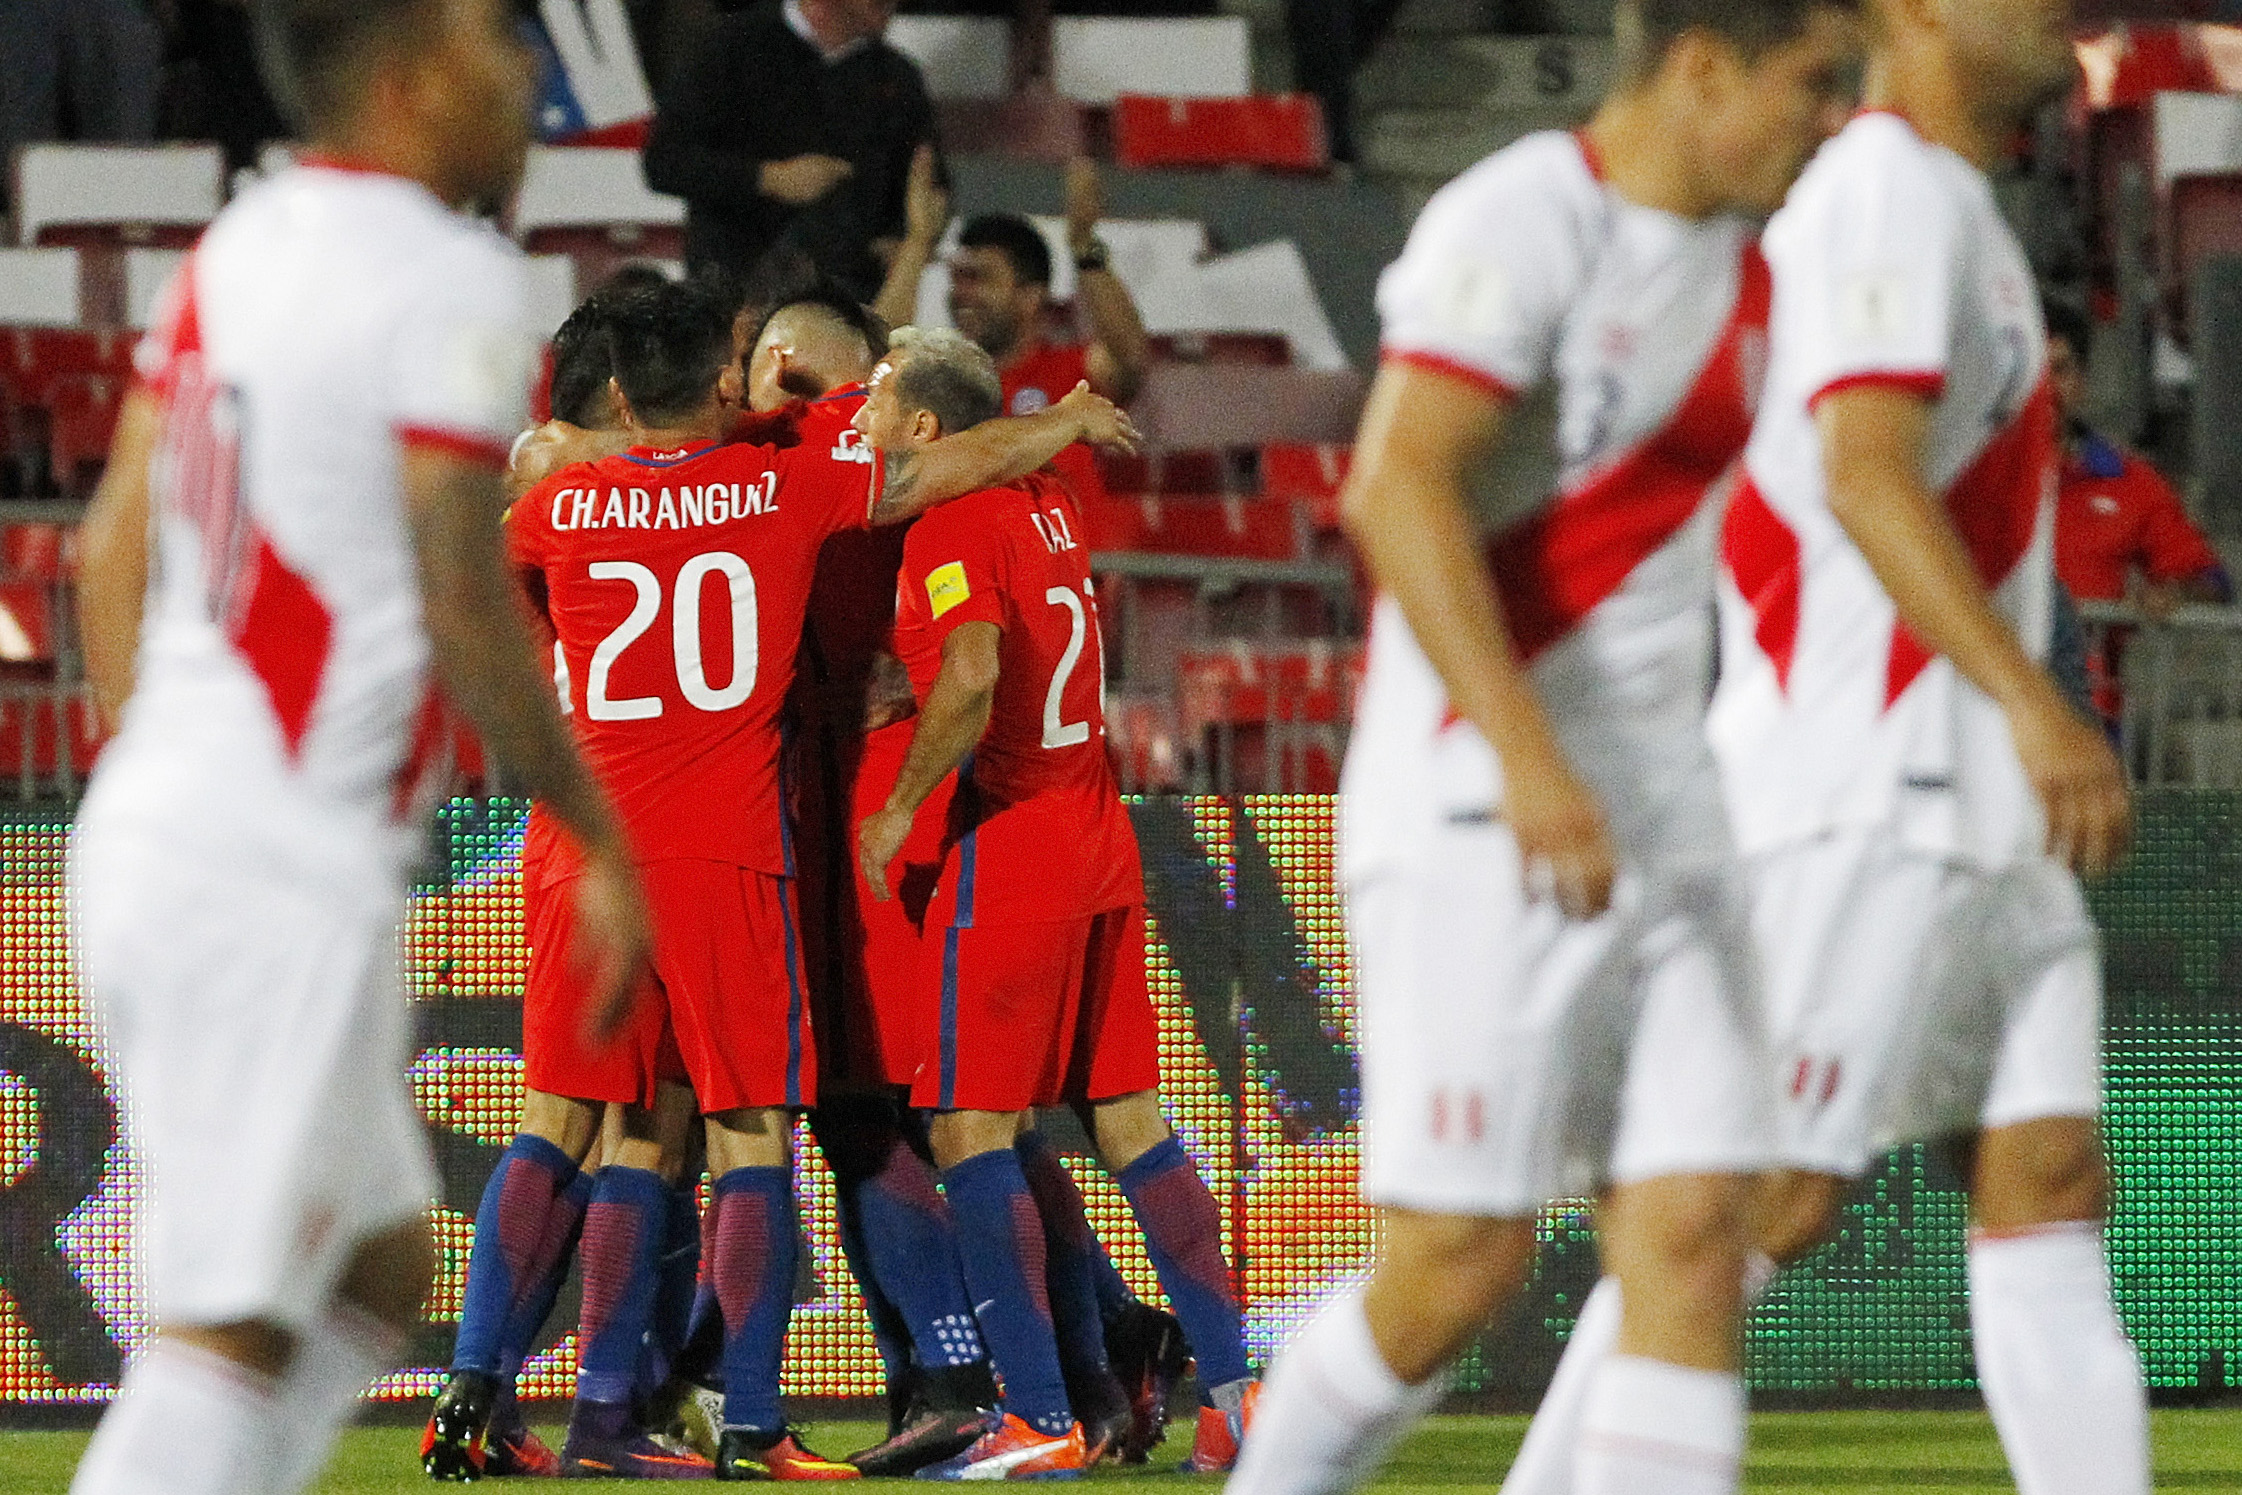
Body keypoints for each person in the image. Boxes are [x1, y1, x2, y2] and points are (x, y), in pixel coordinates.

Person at [1502, 4, 2154, 1495]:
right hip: (1866, 775)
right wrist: (2031, 700)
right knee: (1757, 1202)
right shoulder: (1878, 193)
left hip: (1968, 794)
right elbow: (1864, 476)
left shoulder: (1950, 204)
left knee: (2045, 1180)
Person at [1223, 3, 1860, 1494]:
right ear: (1702, 65)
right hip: (1475, 808)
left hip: (1668, 816)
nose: (1829, 120)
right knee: (1455, 1265)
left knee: (1701, 1235)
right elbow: (1397, 486)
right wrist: (1528, 760)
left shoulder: (1753, 271)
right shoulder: (1522, 215)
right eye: (1812, 85)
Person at [66, 3, 654, 1495]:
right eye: (490, 42)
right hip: (272, 855)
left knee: (378, 1261)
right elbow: (466, 589)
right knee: (226, 1330)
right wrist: (599, 834)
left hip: (185, 824)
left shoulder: (240, 244)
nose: (526, 67)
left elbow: (109, 549)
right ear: (403, 81)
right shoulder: (440, 268)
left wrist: (175, 779)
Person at [504, 282, 1141, 1482]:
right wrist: (1059, 421)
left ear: (801, 370)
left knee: (829, 1113)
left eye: (763, 364)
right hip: (800, 813)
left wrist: (568, 446)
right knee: (898, 1109)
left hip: (835, 815)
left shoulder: (818, 437)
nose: (745, 383)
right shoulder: (791, 457)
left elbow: (571, 486)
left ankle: (984, 1377)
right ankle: (1079, 1361)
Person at [855, 327, 1260, 1481]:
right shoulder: (1043, 499)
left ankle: (1036, 1414)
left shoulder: (951, 519)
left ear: (928, 430)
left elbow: (977, 675)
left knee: (969, 1130)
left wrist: (900, 809)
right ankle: (1233, 1396)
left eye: (880, 399)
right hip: (1099, 831)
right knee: (1129, 1118)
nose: (865, 416)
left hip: (1017, 847)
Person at [424, 284, 708, 1484]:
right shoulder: (681, 493)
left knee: (563, 1120)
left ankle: (476, 1393)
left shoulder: (544, 490)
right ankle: (618, 1410)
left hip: (567, 835)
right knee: (660, 1131)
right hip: (666, 837)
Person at [639, 0, 941, 301]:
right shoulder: (732, 46)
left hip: (849, 308)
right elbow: (664, 162)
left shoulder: (896, 77)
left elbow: (931, 185)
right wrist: (769, 178)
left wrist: (904, 238)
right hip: (735, 301)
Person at [2043, 299, 2231, 725]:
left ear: (2082, 382)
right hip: (1974, 708)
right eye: (2032, 371)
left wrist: (2176, 593)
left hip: (2085, 718)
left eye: (2060, 369)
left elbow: (2213, 581)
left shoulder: (2132, 483)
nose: (2045, 388)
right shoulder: (1961, 469)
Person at [930, 164, 1152, 512]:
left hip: (1067, 561)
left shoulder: (1074, 379)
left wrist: (1084, 248)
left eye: (981, 278)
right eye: (959, 278)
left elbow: (1129, 359)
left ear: (1031, 296)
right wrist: (915, 246)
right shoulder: (938, 384)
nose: (963, 293)